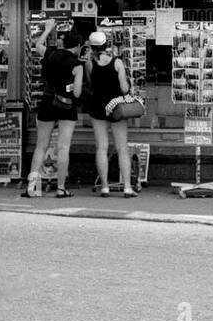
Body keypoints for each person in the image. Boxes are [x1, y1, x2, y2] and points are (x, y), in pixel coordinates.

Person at [24, 25, 84, 199]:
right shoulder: (77, 65)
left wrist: (49, 27)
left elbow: (37, 45)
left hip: (47, 101)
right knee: (63, 147)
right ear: (78, 46)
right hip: (67, 105)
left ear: (63, 44)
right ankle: (61, 188)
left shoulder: (50, 54)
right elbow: (77, 93)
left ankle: (32, 187)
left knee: (41, 146)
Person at [83, 31, 136, 198]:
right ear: (107, 45)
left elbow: (91, 86)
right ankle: (127, 187)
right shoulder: (117, 62)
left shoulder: (89, 64)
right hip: (116, 108)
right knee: (122, 148)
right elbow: (124, 89)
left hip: (97, 107)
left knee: (101, 147)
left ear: (92, 46)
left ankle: (105, 187)